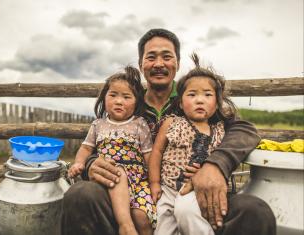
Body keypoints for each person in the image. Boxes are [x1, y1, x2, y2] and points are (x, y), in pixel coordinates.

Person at [61, 28, 276, 235]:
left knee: (254, 211)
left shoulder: (194, 96)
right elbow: (102, 137)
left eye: (167, 56)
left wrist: (216, 165)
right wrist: (90, 164)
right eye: (151, 57)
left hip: (191, 191)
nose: (159, 64)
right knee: (82, 195)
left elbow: (244, 129)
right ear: (141, 64)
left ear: (177, 63)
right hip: (130, 192)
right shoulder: (128, 100)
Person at [149, 52, 236, 235]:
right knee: (162, 229)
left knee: (188, 215)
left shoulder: (219, 129)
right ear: (180, 103)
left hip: (195, 189)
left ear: (217, 103)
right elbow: (157, 152)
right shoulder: (172, 123)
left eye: (207, 95)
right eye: (192, 94)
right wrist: (155, 182)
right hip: (168, 187)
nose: (199, 99)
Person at [68, 65, 156, 235]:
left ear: (136, 101)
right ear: (104, 97)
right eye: (113, 95)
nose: (118, 101)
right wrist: (79, 163)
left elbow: (148, 155)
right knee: (118, 173)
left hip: (138, 182)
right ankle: (126, 227)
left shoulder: (139, 124)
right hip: (108, 176)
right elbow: (86, 148)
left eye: (126, 97)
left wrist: (154, 182)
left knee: (142, 217)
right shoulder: (98, 124)